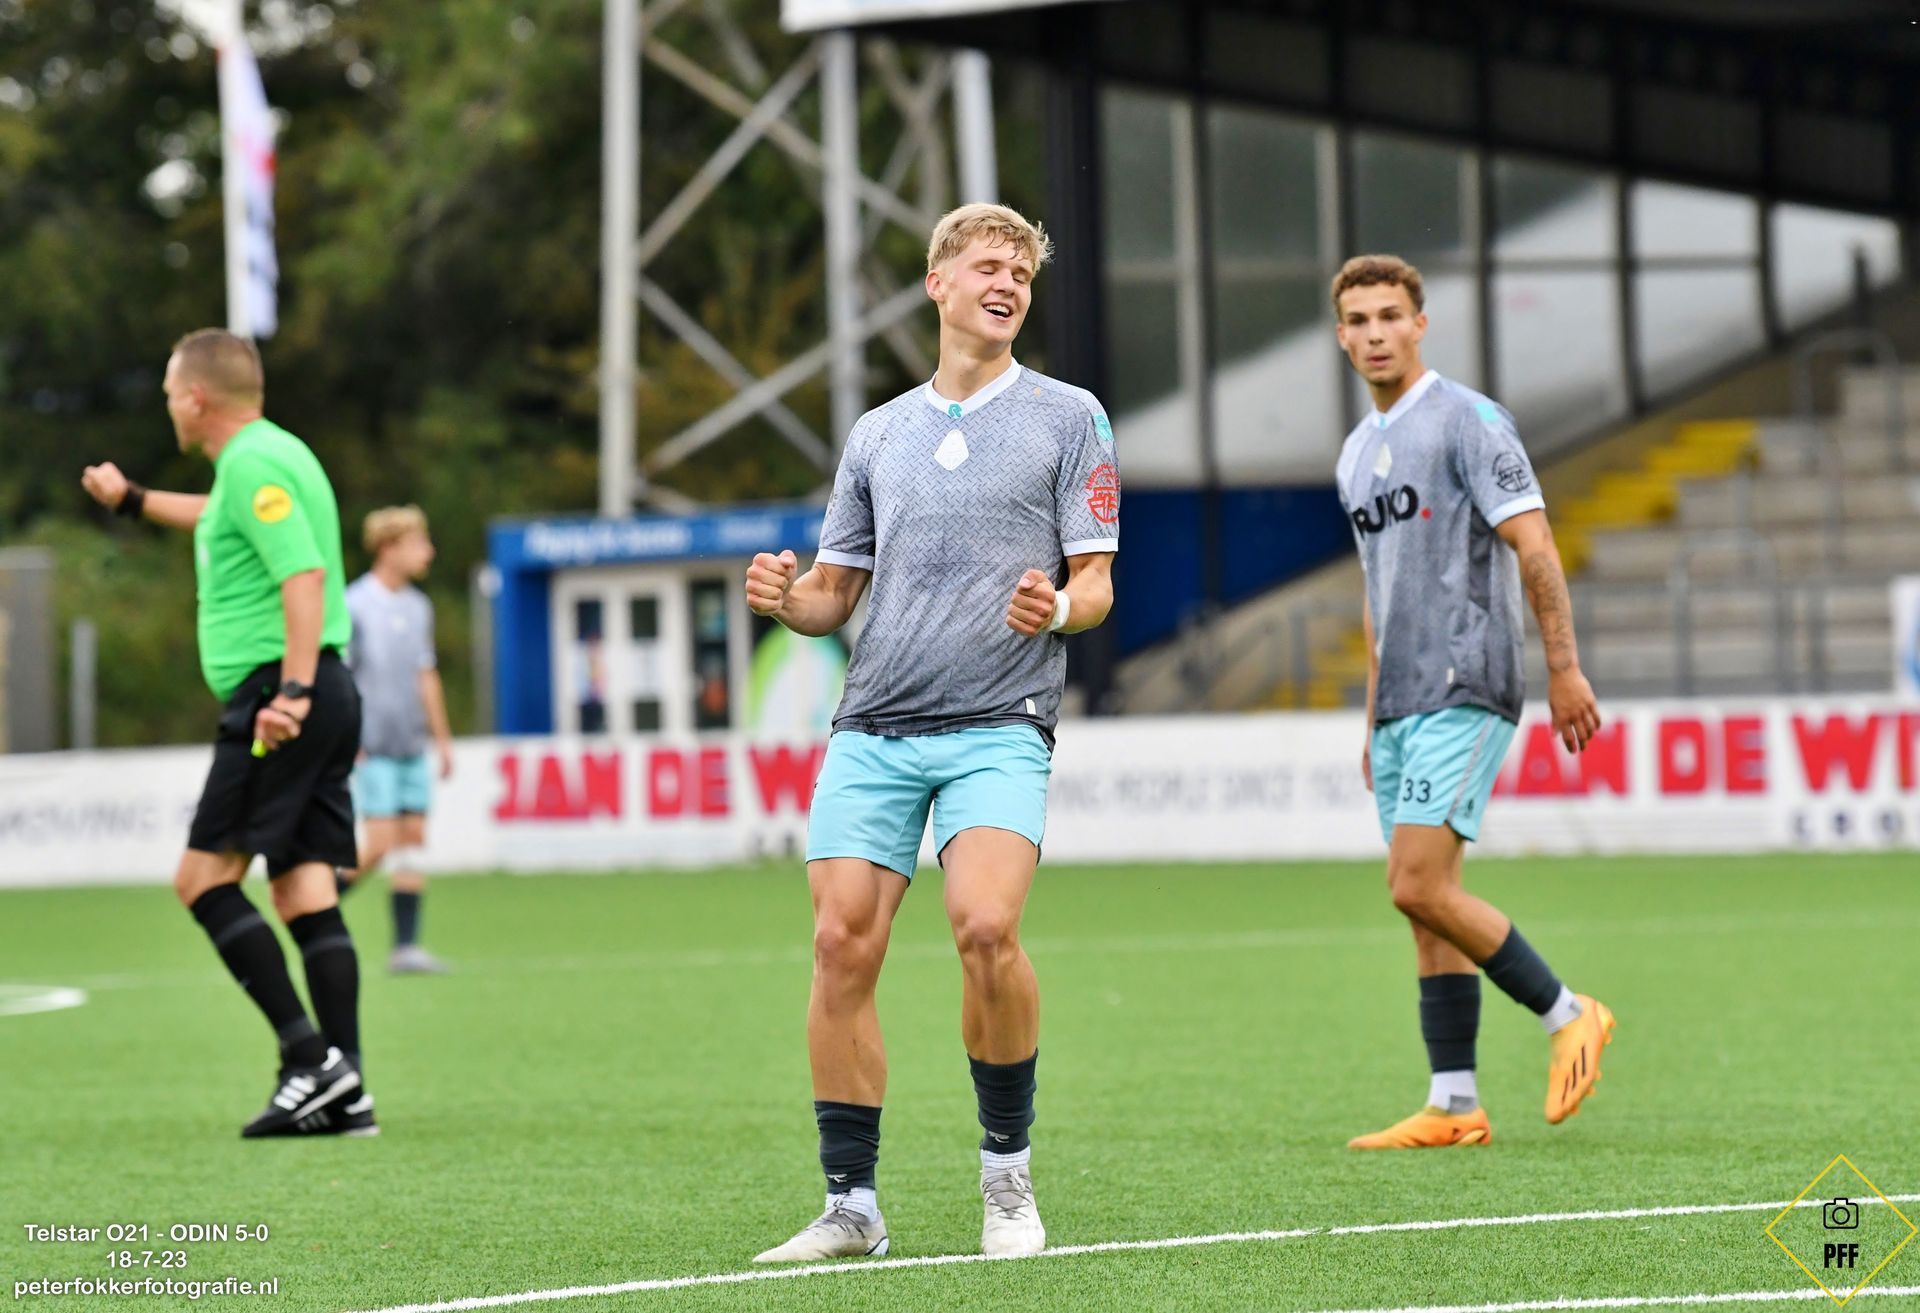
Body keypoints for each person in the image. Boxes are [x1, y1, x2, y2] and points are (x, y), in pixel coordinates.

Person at [747, 203, 1118, 1263]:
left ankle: (1007, 1177)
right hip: (873, 724)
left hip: (1001, 720)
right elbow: (834, 594)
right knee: (838, 945)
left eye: (1022, 274)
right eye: (988, 266)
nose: (1008, 284)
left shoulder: (1070, 416)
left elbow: (1095, 583)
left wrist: (1056, 607)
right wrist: (786, 598)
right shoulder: (878, 432)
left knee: (986, 928)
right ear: (938, 283)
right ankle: (851, 1205)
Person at [1330, 255, 1615, 1151]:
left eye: (1390, 315)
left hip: (1466, 680)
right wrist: (1372, 716)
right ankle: (1454, 1102)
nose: (1376, 333)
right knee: (1426, 901)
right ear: (1341, 337)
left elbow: (1535, 544)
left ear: (1420, 324)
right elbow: (1377, 593)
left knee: (1415, 881)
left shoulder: (1469, 419)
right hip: (1401, 701)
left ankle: (1569, 1011)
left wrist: (1564, 668)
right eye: (1358, 320)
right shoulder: (1354, 454)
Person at [80, 328, 375, 1138]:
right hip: (320, 687)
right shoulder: (274, 456)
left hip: (280, 695)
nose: (168, 407)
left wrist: (292, 692)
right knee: (302, 889)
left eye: (170, 394)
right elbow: (217, 517)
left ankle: (312, 1060)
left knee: (202, 879)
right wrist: (132, 499)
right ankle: (348, 1091)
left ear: (197, 397)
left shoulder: (251, 464)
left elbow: (302, 572)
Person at [337, 505, 455, 974]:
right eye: (418, 543)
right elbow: (341, 676)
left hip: (411, 744)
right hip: (372, 744)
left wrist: (442, 739)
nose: (428, 552)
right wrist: (347, 735)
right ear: (389, 548)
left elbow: (426, 675)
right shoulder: (354, 603)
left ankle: (406, 947)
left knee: (412, 839)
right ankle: (313, 907)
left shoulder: (418, 607)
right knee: (379, 843)